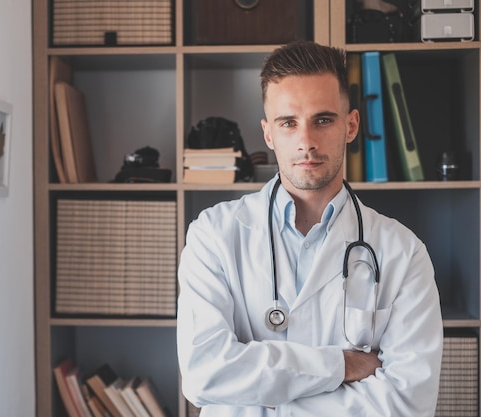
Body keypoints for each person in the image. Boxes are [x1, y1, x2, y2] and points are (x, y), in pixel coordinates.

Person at [176, 40, 443, 416]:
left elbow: (406, 405)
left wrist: (261, 395)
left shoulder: (403, 252)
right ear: (269, 134)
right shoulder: (213, 235)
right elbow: (204, 375)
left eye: (323, 120)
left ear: (350, 125)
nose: (306, 142)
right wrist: (344, 365)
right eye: (289, 123)